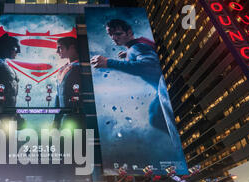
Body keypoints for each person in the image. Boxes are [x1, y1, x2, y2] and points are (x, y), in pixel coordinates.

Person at [90, 19, 180, 149]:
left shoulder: (136, 47)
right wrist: (128, 54)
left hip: (164, 86)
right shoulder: (138, 44)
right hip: (163, 85)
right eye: (111, 34)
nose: (114, 38)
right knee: (155, 115)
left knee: (161, 119)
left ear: (129, 32)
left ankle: (180, 146)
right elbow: (148, 49)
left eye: (118, 34)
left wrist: (110, 62)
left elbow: (148, 65)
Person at [0, 33, 25, 128]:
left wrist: (14, 112)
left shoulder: (2, 65)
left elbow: (9, 94)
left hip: (5, 115)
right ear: (6, 48)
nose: (17, 52)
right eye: (15, 49)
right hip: (1, 116)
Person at [53, 37, 82, 129]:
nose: (57, 52)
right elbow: (58, 96)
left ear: (72, 48)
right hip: (65, 118)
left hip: (78, 117)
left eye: (60, 48)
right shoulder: (62, 69)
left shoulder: (80, 67)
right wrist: (56, 120)